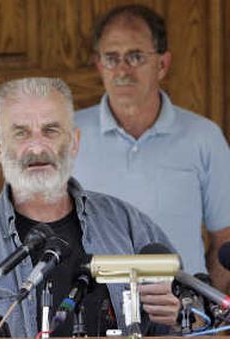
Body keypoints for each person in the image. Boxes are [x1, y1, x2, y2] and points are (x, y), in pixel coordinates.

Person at [0, 78, 179, 338]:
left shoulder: (129, 226)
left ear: (74, 142)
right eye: (21, 133)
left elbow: (189, 322)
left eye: (50, 130)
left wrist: (177, 315)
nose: (37, 147)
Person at [73, 4, 230, 291]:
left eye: (135, 56)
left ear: (162, 64)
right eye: (111, 57)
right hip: (92, 315)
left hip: (179, 316)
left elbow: (226, 238)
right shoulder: (69, 134)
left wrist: (203, 308)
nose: (122, 69)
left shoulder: (204, 137)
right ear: (99, 65)